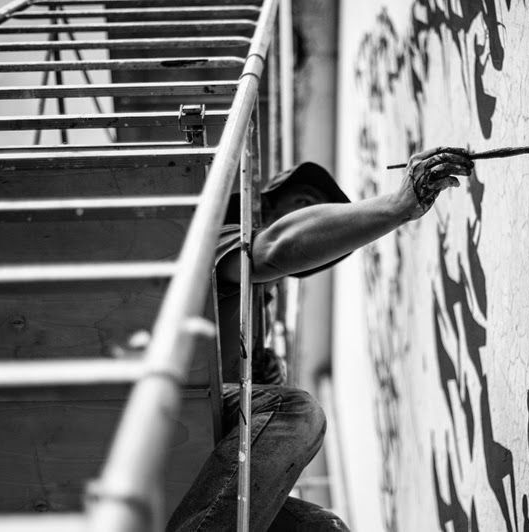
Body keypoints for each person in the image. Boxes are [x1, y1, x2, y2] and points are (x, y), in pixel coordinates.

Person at [166, 147, 475, 532]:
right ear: (268, 205)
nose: (315, 221)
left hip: (202, 456)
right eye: (304, 206)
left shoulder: (253, 317)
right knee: (293, 412)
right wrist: (397, 206)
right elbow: (275, 249)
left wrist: (260, 371)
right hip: (175, 408)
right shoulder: (217, 240)